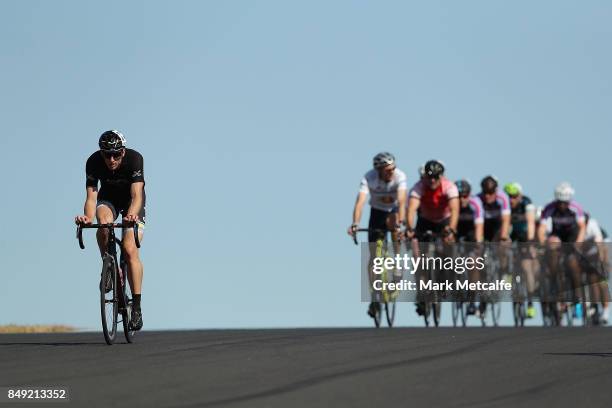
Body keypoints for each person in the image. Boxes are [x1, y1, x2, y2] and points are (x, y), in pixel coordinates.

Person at [75, 130, 146, 331]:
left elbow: (137, 195)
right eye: (107, 155)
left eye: (116, 154)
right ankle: (107, 265)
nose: (112, 159)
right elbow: (91, 197)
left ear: (123, 152)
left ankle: (137, 307)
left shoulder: (134, 159)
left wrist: (131, 215)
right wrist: (87, 218)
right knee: (103, 220)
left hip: (132, 203)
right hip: (109, 200)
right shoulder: (93, 162)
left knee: (130, 249)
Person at [348, 152, 407, 319]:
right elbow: (360, 203)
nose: (391, 172)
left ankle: (397, 262)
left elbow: (402, 201)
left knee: (394, 224)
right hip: (377, 213)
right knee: (373, 257)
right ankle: (374, 295)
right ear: (379, 170)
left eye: (393, 168)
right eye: (388, 170)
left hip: (393, 211)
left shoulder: (400, 176)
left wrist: (401, 223)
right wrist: (355, 224)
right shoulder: (369, 178)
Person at [406, 160, 459, 316]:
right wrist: (410, 228)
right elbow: (411, 210)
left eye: (436, 177)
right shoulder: (418, 187)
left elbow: (455, 210)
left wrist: (452, 230)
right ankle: (422, 293)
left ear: (441, 176)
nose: (432, 180)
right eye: (429, 177)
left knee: (447, 250)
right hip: (425, 221)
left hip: (444, 221)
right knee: (418, 257)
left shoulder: (450, 187)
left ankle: (445, 279)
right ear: (424, 177)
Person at [538, 182, 586, 319]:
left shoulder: (576, 208)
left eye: (565, 203)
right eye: (560, 202)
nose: (562, 205)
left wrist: (578, 243)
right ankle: (554, 282)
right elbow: (541, 229)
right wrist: (542, 244)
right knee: (552, 251)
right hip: (557, 235)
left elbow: (582, 227)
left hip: (572, 236)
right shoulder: (549, 208)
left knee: (572, 263)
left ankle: (577, 298)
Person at [504, 182, 538, 319]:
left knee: (526, 267)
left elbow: (530, 223)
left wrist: (530, 242)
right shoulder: (505, 205)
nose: (511, 199)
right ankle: (507, 272)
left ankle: (530, 304)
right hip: (513, 234)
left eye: (514, 196)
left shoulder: (527, 203)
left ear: (520, 196)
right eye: (509, 197)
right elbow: (504, 225)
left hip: (526, 235)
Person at [455, 179, 484, 315]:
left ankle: (472, 299)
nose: (461, 199)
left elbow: (479, 225)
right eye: (459, 196)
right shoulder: (451, 203)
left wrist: (477, 244)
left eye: (465, 196)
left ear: (469, 195)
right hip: (456, 231)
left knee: (472, 263)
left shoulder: (475, 203)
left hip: (471, 233)